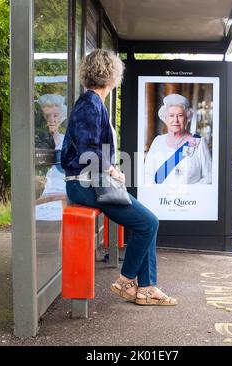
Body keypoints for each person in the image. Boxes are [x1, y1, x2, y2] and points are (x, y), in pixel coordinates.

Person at [61, 49, 177, 306]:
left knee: (145, 223)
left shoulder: (92, 103)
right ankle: (126, 281)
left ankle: (147, 288)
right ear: (113, 77)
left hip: (90, 183)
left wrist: (111, 170)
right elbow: (88, 151)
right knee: (148, 223)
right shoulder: (90, 104)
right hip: (86, 184)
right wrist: (113, 171)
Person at [144, 93, 212, 186]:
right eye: (171, 115)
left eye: (180, 115)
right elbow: (147, 175)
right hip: (161, 199)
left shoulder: (198, 142)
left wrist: (189, 192)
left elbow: (209, 177)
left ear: (187, 117)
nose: (175, 120)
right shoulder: (158, 141)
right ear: (166, 118)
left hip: (190, 199)